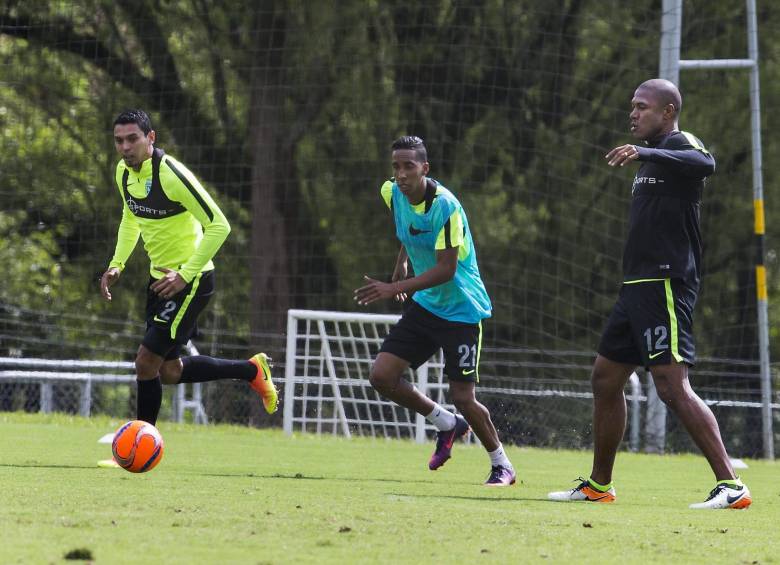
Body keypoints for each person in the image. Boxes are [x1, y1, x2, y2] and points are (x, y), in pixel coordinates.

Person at [548, 79, 751, 509]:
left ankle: (731, 484)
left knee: (671, 386)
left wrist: (648, 152)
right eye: (632, 107)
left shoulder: (679, 142)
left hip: (665, 283)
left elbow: (705, 161)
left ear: (668, 112)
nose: (633, 114)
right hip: (635, 287)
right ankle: (599, 486)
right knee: (605, 378)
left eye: (642, 107)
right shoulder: (649, 159)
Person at [99, 109, 278, 454]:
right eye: (119, 140)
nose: (125, 147)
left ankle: (140, 445)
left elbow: (219, 225)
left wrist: (185, 274)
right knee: (168, 370)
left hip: (191, 281)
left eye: (132, 139)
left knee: (145, 362)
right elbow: (130, 219)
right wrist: (117, 264)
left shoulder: (171, 175)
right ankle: (251, 370)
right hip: (159, 282)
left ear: (150, 139)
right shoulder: (123, 173)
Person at [354, 136, 515, 486]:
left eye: (408, 166)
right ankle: (445, 422)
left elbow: (446, 269)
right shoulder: (391, 192)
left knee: (463, 396)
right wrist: (403, 261)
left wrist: (393, 287)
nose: (400, 174)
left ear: (425, 169)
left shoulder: (447, 207)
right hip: (427, 305)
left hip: (461, 309)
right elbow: (407, 226)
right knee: (382, 376)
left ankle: (502, 464)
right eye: (396, 166)